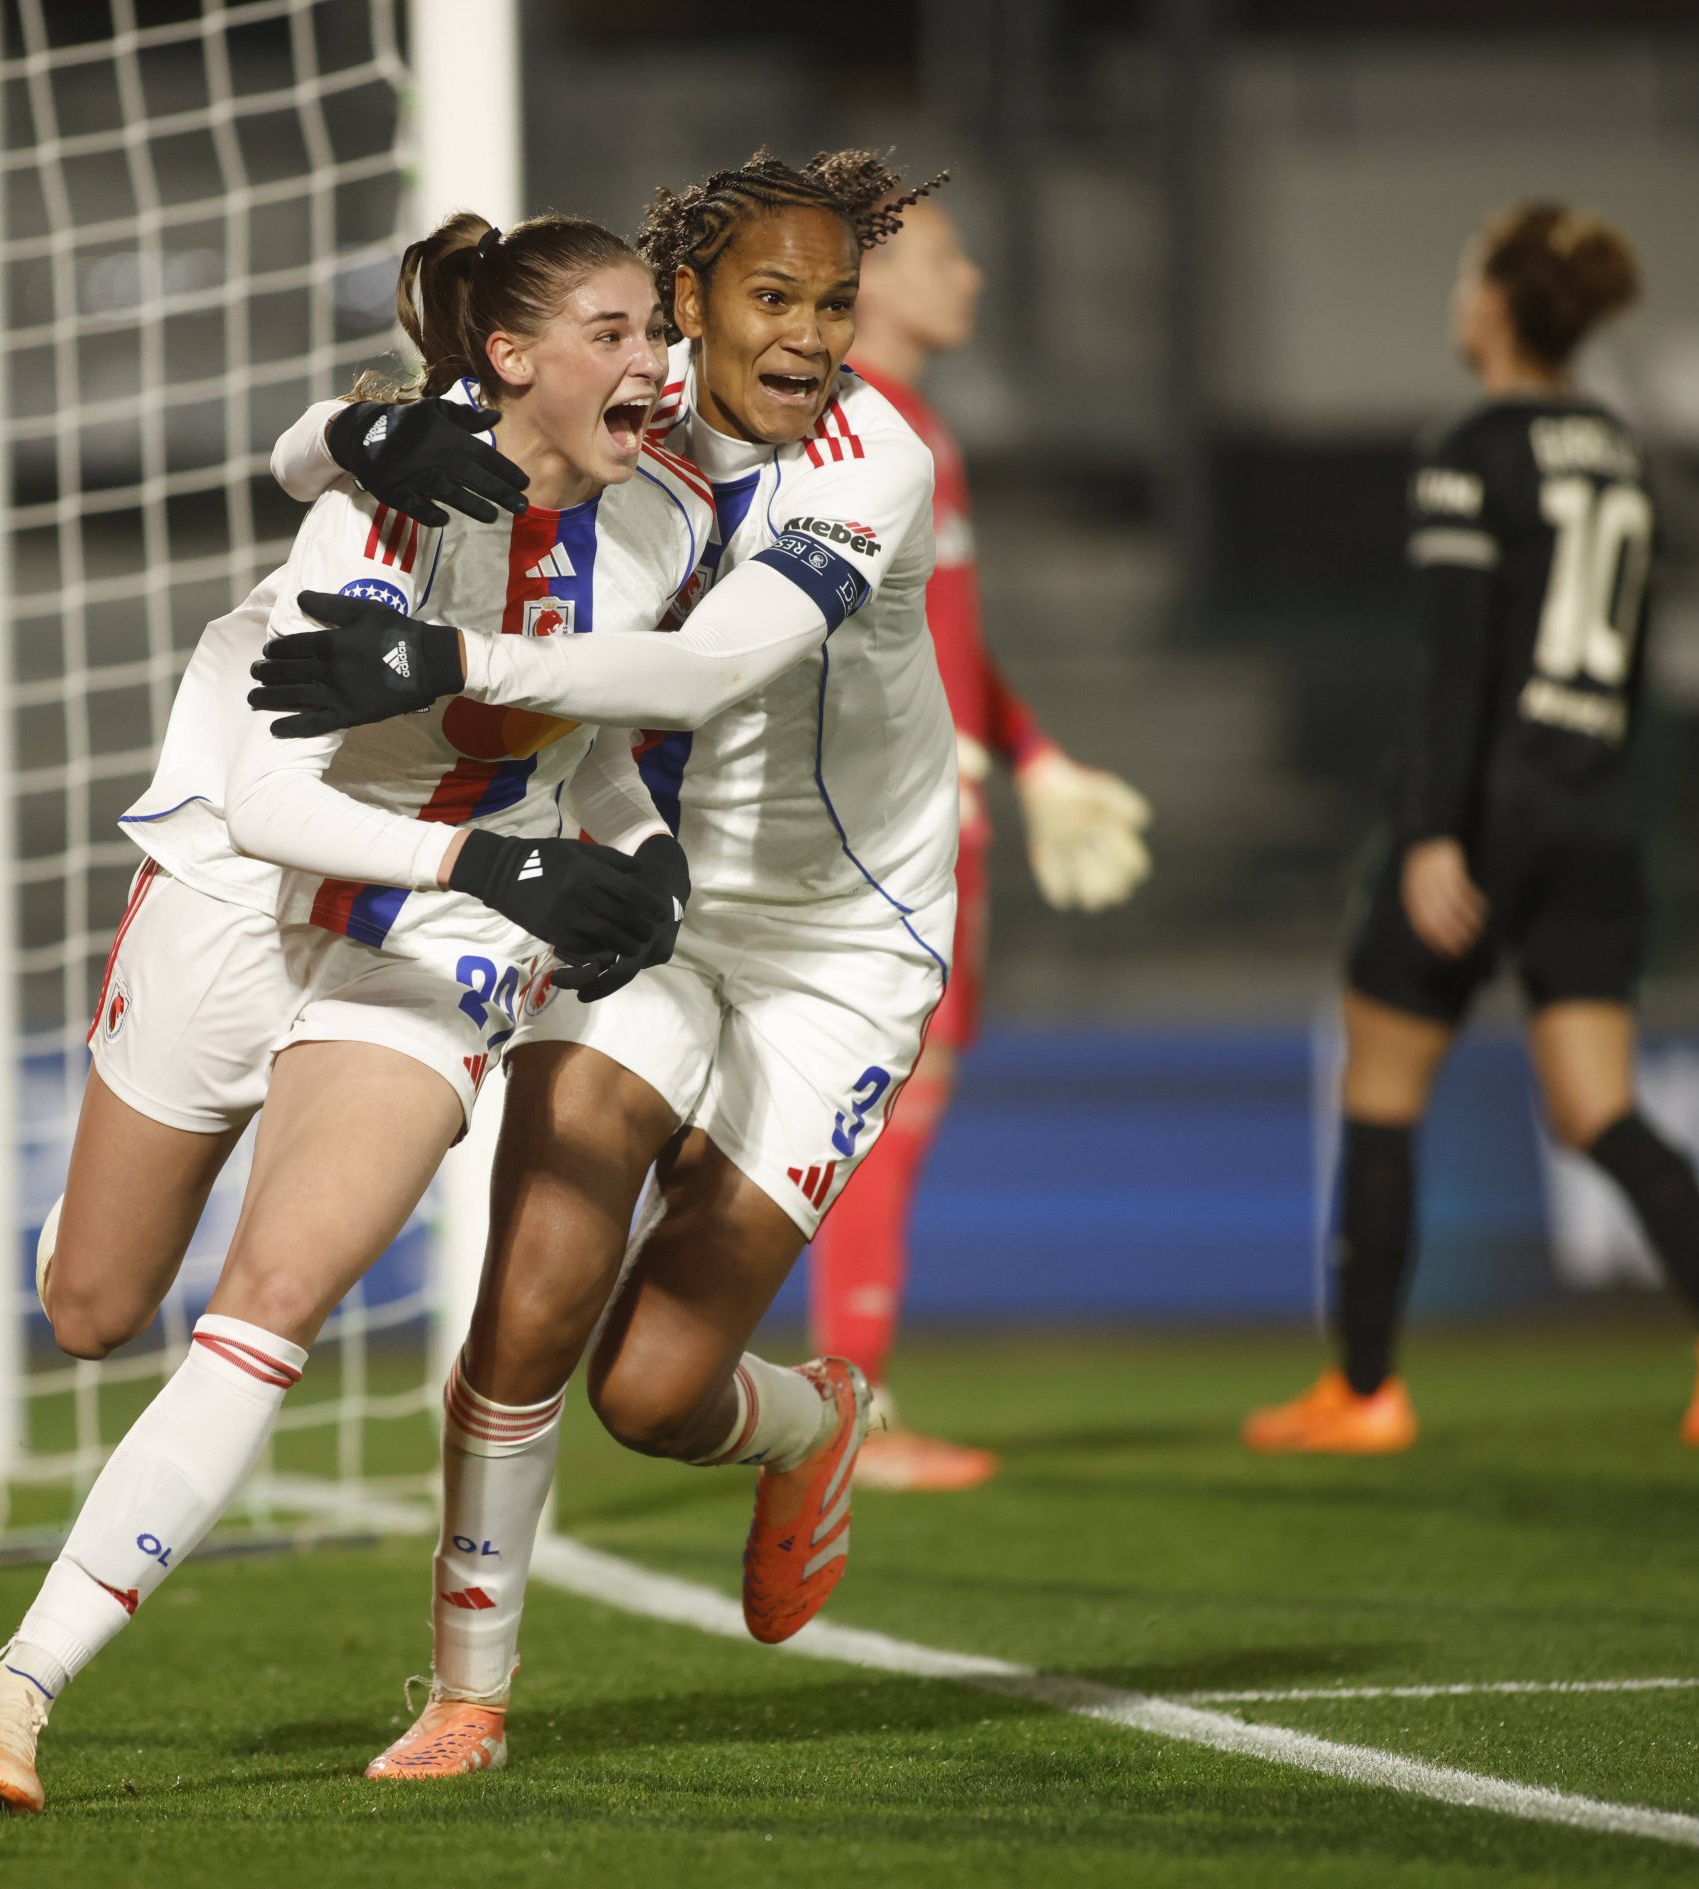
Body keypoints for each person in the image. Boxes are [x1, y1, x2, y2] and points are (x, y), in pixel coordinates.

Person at [0, 210, 711, 1814]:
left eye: (659, 333)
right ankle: (93, 1233)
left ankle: (12, 1695)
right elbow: (278, 803)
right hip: (236, 889)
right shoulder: (392, 504)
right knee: (92, 1304)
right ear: (513, 359)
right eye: (622, 332)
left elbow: (588, 743)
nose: (658, 363)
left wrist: (638, 863)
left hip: (423, 939)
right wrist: (512, 861)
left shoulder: (659, 529)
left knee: (272, 1302)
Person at [256, 150, 954, 1778]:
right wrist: (361, 435)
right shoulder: (595, 410)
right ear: (688, 300)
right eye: (772, 299)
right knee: (533, 1290)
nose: (809, 338)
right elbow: (313, 449)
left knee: (651, 1391)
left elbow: (714, 665)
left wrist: (445, 657)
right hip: (646, 893)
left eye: (836, 303)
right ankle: (468, 1695)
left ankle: (816, 1417)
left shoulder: (874, 460)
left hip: (844, 951)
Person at [1244, 201, 1699, 1457]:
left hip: (1487, 811)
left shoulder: (1469, 447)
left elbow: (1457, 665)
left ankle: (1366, 1391)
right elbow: (1636, 661)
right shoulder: (1622, 450)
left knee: (1382, 1095)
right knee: (1599, 1106)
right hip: (1599, 807)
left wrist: (1437, 834)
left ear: (1496, 303)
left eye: (1466, 275)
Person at [810, 194, 1153, 1493]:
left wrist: (1036, 754)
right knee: (879, 1109)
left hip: (929, 804)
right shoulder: (860, 426)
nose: (978, 271)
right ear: (878, 277)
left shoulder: (915, 426)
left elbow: (940, 635)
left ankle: (835, 1399)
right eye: (948, 255)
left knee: (881, 1108)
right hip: (890, 822)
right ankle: (851, 1416)